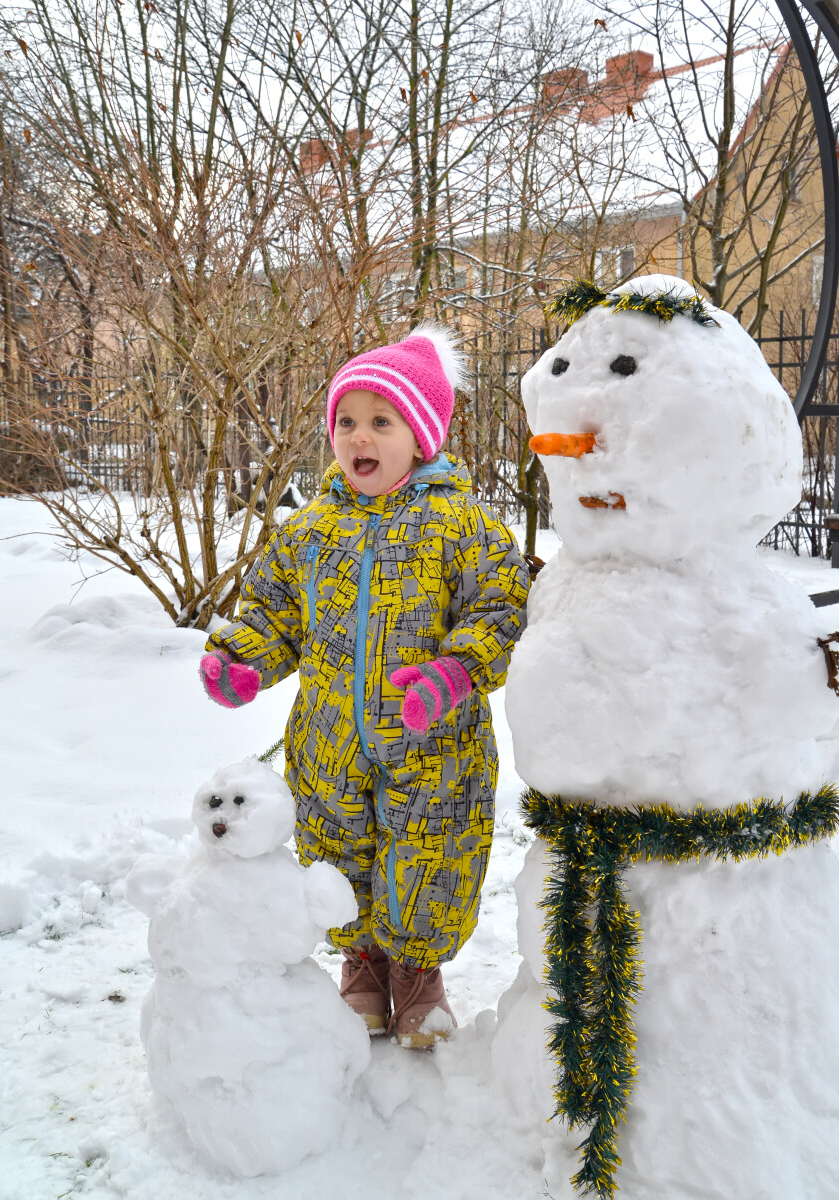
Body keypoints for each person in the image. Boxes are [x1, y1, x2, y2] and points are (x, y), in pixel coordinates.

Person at [199, 325, 529, 1048]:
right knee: (339, 848)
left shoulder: (462, 524)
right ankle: (363, 962)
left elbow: (499, 608)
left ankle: (417, 974)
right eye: (347, 421)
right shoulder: (309, 529)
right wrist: (245, 659)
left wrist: (453, 672)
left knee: (429, 852)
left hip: (432, 740)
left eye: (382, 421)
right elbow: (275, 610)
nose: (359, 436)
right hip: (329, 741)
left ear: (422, 435)